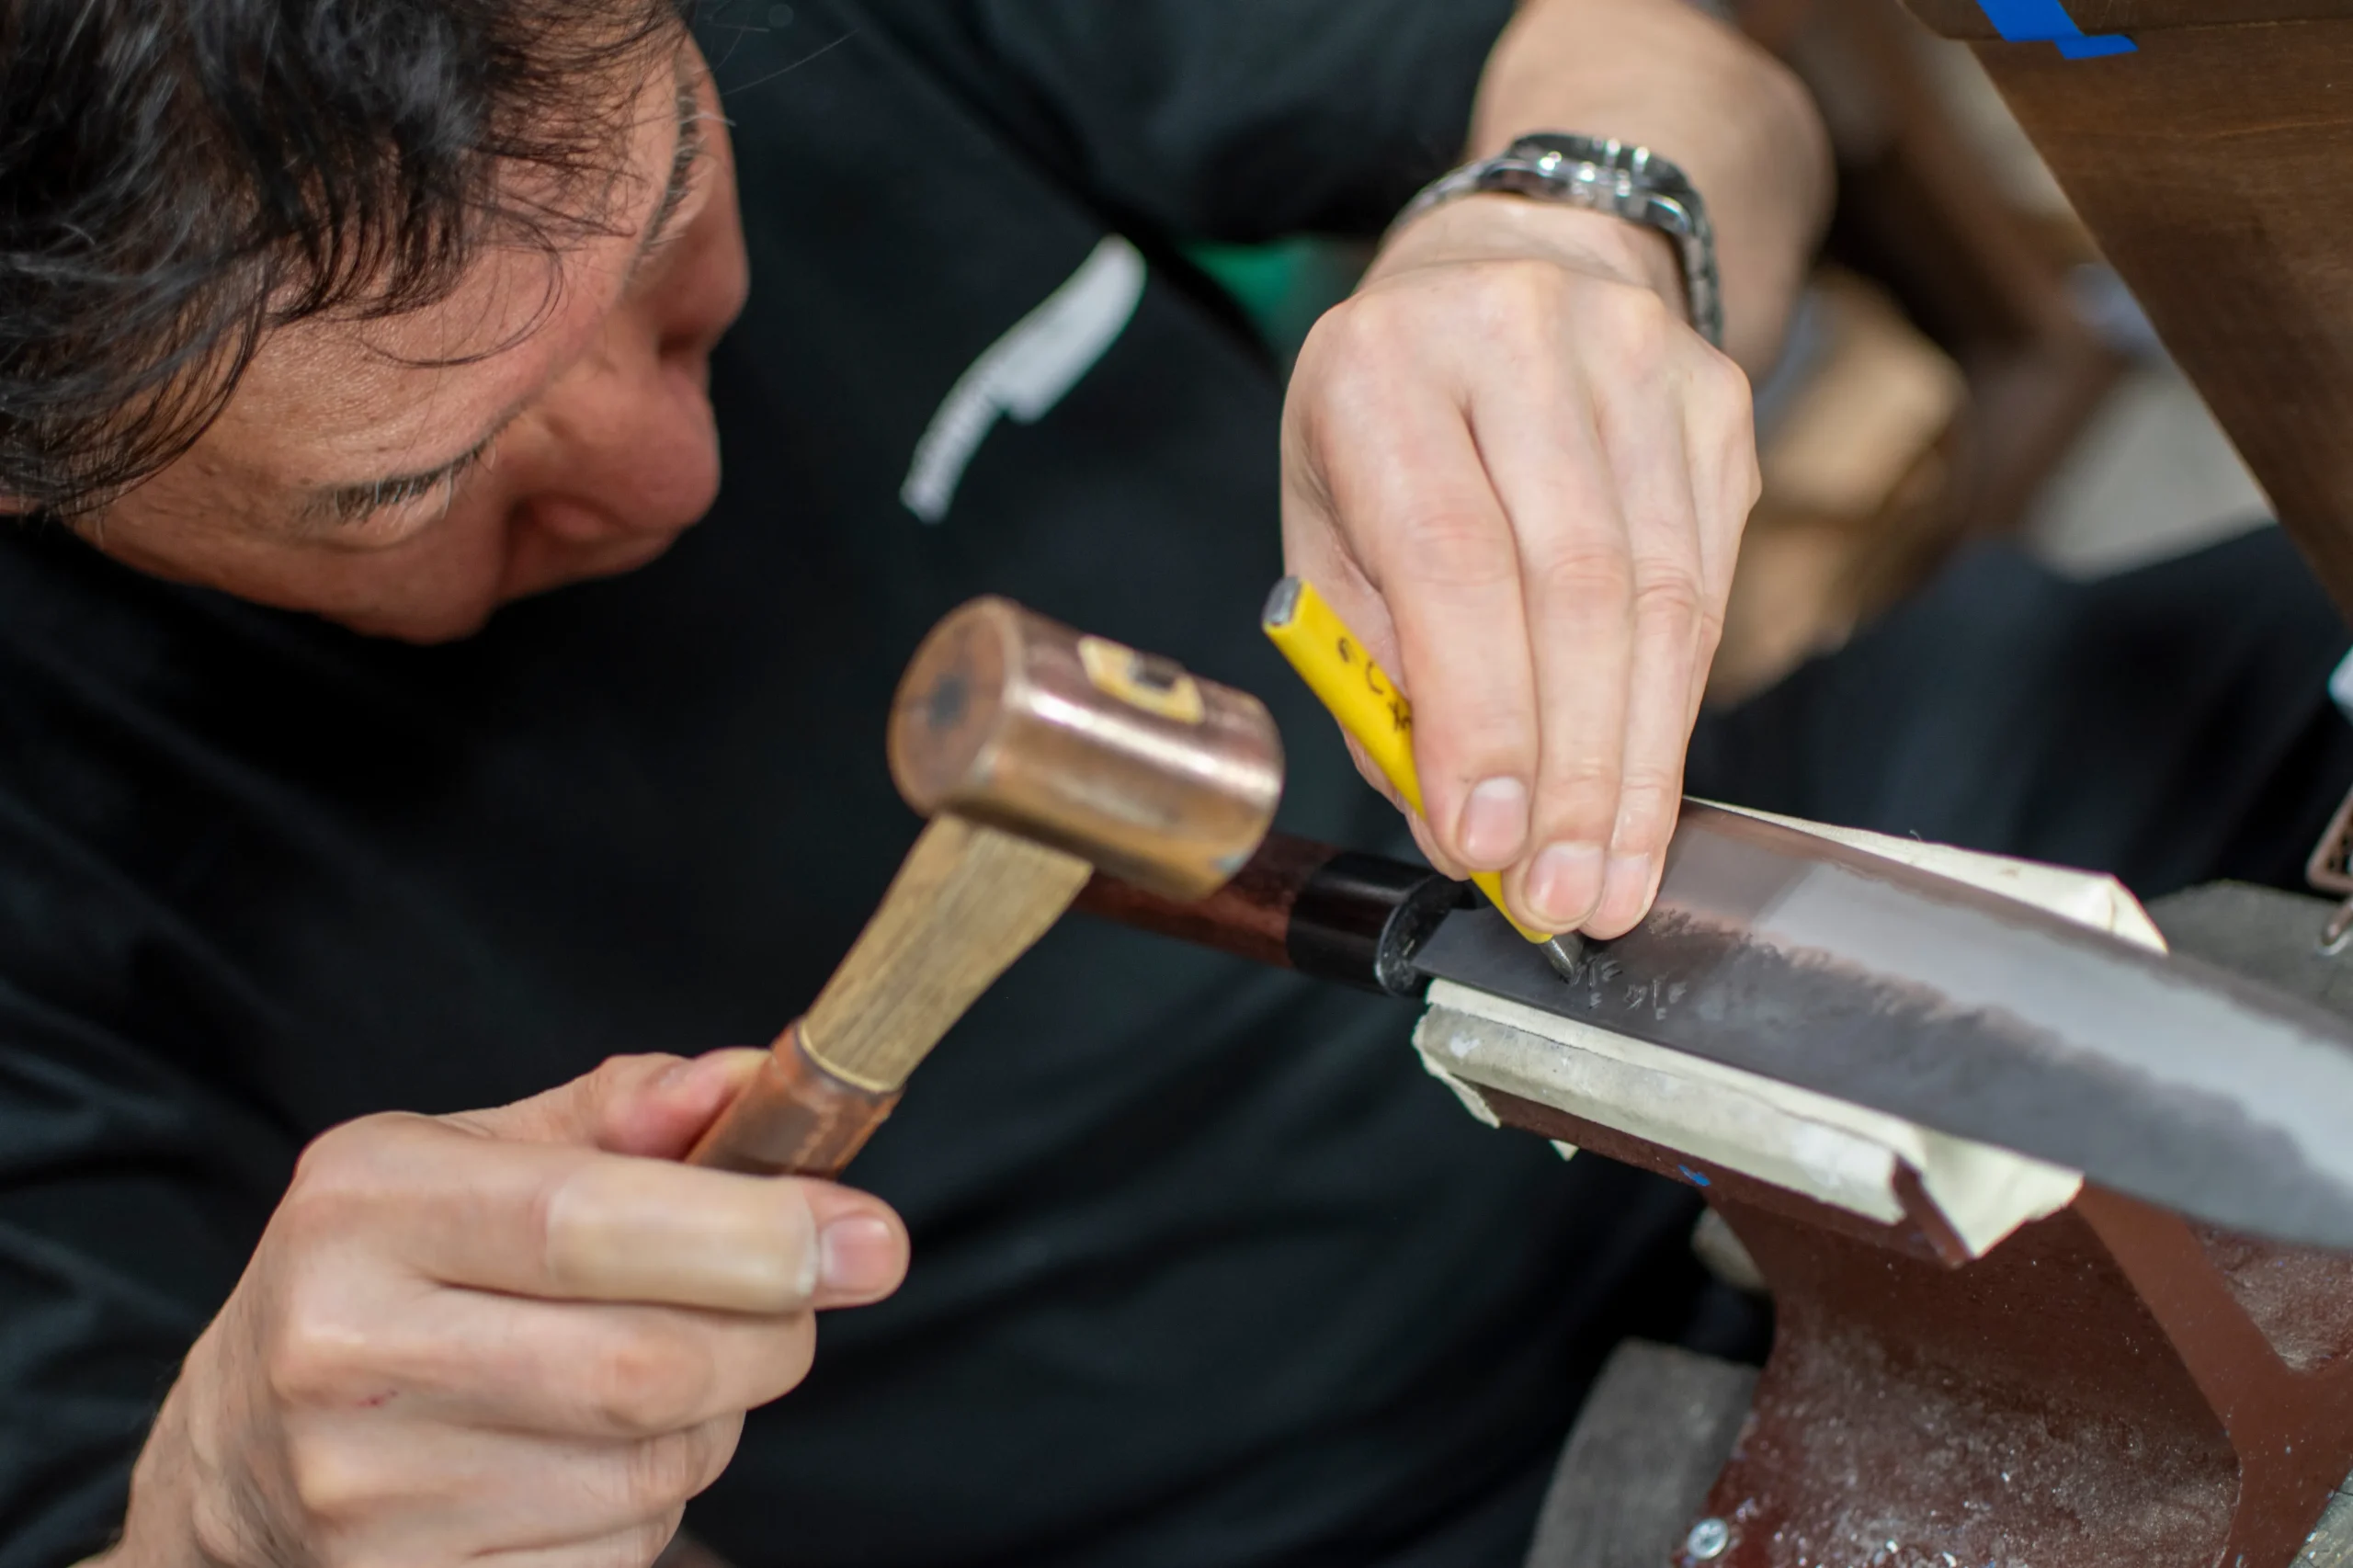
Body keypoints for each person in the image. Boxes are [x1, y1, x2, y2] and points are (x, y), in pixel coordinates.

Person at [0, 1, 1831, 1563]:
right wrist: (223, 1518)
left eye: (673, 224)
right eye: (409, 487)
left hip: (1771, 911)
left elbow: (1685, 67)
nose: (672, 476)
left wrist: (1570, 230)